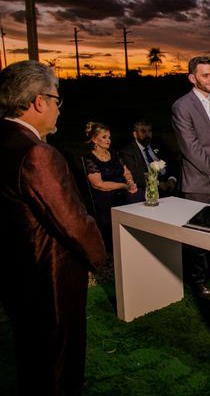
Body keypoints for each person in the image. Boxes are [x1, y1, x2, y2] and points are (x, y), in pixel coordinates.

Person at [0, 61, 107, 396]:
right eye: (57, 100)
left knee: (31, 357)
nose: (59, 110)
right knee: (60, 366)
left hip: (15, 273)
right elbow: (73, 222)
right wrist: (98, 259)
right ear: (38, 102)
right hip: (49, 279)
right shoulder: (37, 153)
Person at [171, 56, 210, 299]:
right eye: (205, 75)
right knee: (197, 235)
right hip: (198, 182)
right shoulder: (182, 106)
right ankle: (198, 280)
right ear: (192, 78)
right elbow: (190, 147)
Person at [84, 121, 143, 250]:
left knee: (140, 195)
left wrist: (130, 182)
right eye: (104, 137)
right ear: (94, 139)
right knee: (130, 199)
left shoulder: (113, 153)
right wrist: (123, 186)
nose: (108, 140)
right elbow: (98, 184)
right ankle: (124, 242)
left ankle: (140, 237)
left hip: (123, 188)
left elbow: (126, 172)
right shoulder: (90, 159)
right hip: (106, 194)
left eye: (109, 137)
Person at [119, 119, 177, 196]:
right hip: (146, 190)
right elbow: (135, 176)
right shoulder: (128, 152)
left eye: (149, 131)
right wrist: (157, 183)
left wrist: (172, 179)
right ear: (135, 134)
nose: (147, 135)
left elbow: (171, 163)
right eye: (143, 132)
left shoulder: (159, 144)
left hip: (168, 187)